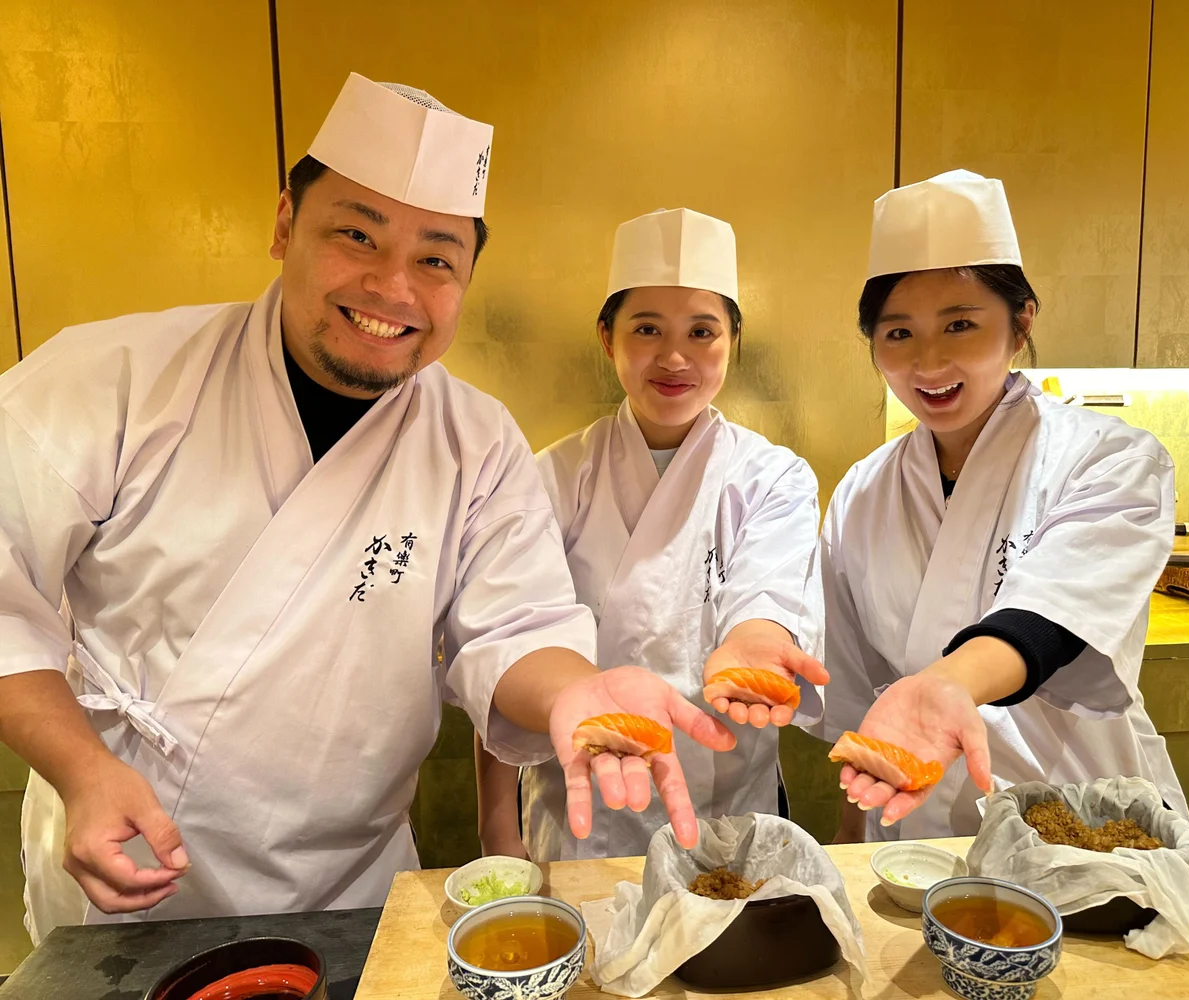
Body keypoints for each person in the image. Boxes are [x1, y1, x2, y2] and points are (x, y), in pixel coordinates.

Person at [0, 74, 733, 941]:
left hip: (352, 887)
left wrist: (575, 690)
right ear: (283, 225)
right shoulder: (112, 378)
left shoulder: (475, 441)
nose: (393, 288)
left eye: (435, 259)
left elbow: (517, 626)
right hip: (120, 860)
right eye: (356, 235)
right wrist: (78, 768)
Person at [816, 170, 1185, 842]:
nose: (928, 362)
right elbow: (855, 696)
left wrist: (947, 685)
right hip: (910, 822)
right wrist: (849, 836)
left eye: (959, 324)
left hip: (1077, 815)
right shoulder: (860, 494)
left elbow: (1052, 614)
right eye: (898, 334)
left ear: (1019, 325)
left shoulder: (1109, 459)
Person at [475, 209, 827, 861]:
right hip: (579, 809)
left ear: (732, 342)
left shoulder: (772, 477)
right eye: (646, 330)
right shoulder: (549, 477)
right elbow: (507, 644)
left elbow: (767, 602)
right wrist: (498, 830)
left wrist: (755, 645)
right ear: (607, 338)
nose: (674, 357)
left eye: (701, 332)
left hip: (725, 807)